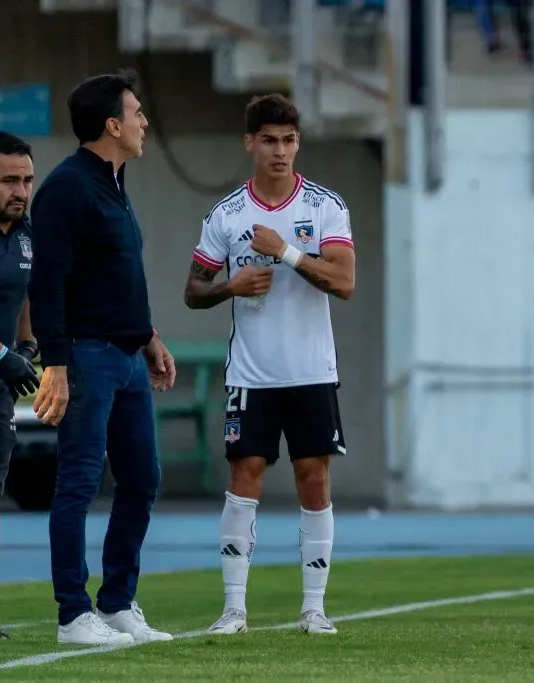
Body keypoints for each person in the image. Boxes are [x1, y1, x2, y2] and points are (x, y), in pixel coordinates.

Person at [184, 93, 355, 636]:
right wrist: (229, 286)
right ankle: (234, 607)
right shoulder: (227, 214)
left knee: (313, 476)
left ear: (297, 144)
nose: (279, 152)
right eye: (269, 141)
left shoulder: (326, 206)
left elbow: (345, 282)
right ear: (250, 143)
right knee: (244, 477)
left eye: (288, 140)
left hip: (311, 372)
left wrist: (285, 253)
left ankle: (314, 608)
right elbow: (192, 289)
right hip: (251, 374)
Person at [28, 70, 176, 646]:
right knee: (78, 484)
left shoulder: (115, 183)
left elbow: (116, 275)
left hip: (128, 356)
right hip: (86, 358)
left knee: (142, 479)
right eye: (136, 113)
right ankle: (72, 614)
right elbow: (49, 284)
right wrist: (57, 366)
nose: (144, 122)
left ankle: (117, 603)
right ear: (112, 124)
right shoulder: (67, 188)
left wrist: (149, 335)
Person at [0, 131, 41, 640]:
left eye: (26, 179)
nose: (20, 190)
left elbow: (25, 297)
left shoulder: (26, 232)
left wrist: (25, 347)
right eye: (8, 180)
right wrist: (2, 356)